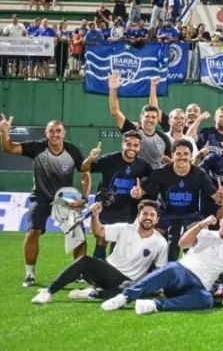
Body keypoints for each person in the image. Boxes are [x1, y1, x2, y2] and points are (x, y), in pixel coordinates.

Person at [0, 115, 90, 288]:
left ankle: (79, 272)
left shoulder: (73, 150)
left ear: (64, 133)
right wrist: (4, 132)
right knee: (33, 231)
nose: (55, 134)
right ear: (46, 133)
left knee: (78, 233)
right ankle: (29, 275)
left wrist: (84, 197)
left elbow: (84, 173)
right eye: (51, 130)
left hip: (66, 198)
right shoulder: (37, 147)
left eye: (58, 131)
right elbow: (9, 148)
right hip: (40, 196)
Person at [101, 209, 223, 314]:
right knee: (172, 268)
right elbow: (182, 244)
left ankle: (154, 305)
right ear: (221, 221)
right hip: (182, 272)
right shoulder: (205, 234)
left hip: (198, 287)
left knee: (207, 300)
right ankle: (125, 297)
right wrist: (201, 225)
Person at [31, 200, 167, 304]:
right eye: (145, 213)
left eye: (152, 215)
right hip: (108, 272)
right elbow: (99, 231)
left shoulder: (161, 242)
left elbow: (160, 270)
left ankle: (92, 293)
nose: (148, 217)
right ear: (138, 216)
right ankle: (48, 291)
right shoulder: (125, 228)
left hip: (128, 281)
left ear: (157, 219)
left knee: (130, 291)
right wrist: (95, 216)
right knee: (84, 261)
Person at [134, 139, 223, 261]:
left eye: (186, 154)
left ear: (191, 156)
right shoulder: (161, 172)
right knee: (148, 235)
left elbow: (216, 197)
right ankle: (148, 267)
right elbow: (141, 192)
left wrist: (221, 196)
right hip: (165, 214)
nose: (182, 157)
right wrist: (137, 193)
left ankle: (196, 267)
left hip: (190, 214)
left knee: (203, 234)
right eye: (178, 154)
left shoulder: (199, 174)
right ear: (172, 155)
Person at [80, 131, 153, 259]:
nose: (132, 148)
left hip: (127, 210)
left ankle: (114, 272)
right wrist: (91, 158)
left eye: (136, 145)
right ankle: (97, 272)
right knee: (101, 239)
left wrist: (142, 190)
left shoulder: (143, 165)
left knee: (120, 242)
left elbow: (154, 181)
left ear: (139, 147)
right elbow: (85, 168)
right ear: (122, 144)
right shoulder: (109, 160)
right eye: (128, 144)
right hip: (106, 207)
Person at [108, 73, 170, 169]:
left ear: (157, 119)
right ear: (141, 117)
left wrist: (153, 87)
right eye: (147, 116)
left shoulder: (164, 138)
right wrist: (113, 89)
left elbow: (169, 159)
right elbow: (115, 112)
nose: (150, 119)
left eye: (153, 117)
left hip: (154, 181)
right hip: (133, 179)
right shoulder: (132, 132)